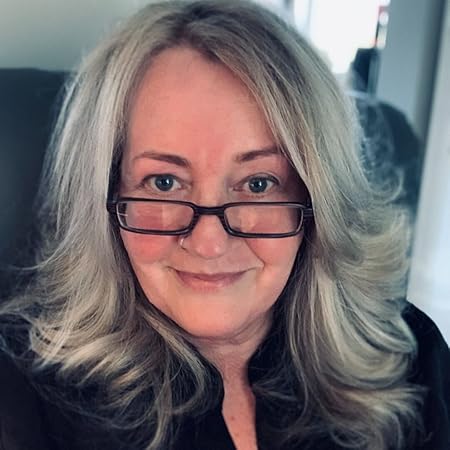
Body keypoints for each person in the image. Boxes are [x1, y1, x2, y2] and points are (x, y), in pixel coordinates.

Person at [0, 1, 449, 449]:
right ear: (106, 194)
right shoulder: (21, 394)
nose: (209, 243)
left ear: (319, 201)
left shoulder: (411, 359)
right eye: (164, 182)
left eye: (258, 183)